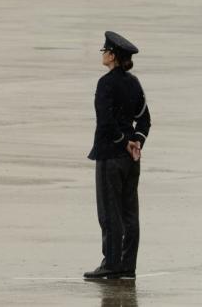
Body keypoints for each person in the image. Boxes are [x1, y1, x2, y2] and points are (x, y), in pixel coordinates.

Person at [84, 31, 151, 280]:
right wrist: (136, 142)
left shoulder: (106, 83)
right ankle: (127, 265)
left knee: (109, 212)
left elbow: (105, 122)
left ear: (113, 55)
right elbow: (144, 119)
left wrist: (123, 143)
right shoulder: (134, 83)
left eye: (105, 51)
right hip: (131, 159)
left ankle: (111, 263)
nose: (103, 54)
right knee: (129, 212)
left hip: (110, 155)